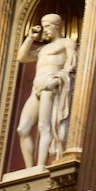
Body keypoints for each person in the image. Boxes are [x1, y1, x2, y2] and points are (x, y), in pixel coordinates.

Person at [16, 13, 77, 168]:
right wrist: (30, 37)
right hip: (36, 88)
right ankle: (29, 169)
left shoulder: (66, 43)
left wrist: (57, 80)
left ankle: (40, 167)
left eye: (48, 26)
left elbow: (72, 64)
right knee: (22, 129)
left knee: (44, 127)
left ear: (56, 25)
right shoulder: (43, 49)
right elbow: (22, 57)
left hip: (49, 86)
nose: (45, 30)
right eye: (44, 27)